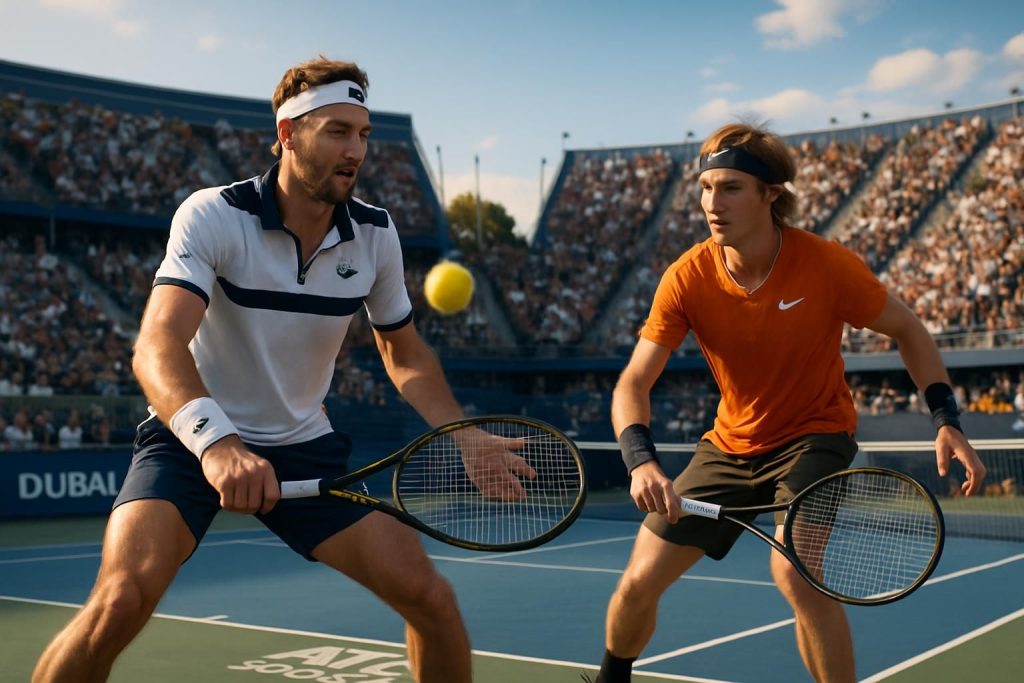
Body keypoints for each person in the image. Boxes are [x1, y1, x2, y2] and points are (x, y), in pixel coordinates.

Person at [33, 56, 528, 683]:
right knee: (119, 602)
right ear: (289, 134)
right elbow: (156, 344)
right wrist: (218, 445)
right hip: (191, 440)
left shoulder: (376, 235)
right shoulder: (214, 214)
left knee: (430, 599)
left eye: (364, 135)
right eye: (337, 131)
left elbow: (404, 356)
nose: (356, 151)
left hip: (303, 445)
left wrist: (465, 435)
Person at [589, 121, 987, 683]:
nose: (711, 202)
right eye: (705, 188)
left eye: (729, 188)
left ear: (770, 194)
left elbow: (908, 329)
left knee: (796, 573)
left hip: (815, 434)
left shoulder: (825, 264)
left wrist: (946, 420)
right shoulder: (686, 277)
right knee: (636, 583)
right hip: (728, 447)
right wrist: (640, 459)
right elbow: (633, 383)